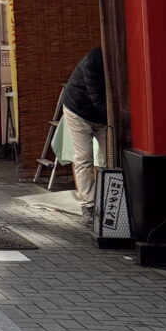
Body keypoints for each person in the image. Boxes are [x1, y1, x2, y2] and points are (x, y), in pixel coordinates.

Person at [60, 46, 107, 222]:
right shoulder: (93, 60)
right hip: (78, 111)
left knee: (110, 158)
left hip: (103, 116)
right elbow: (97, 100)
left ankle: (107, 199)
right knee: (84, 158)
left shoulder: (123, 61)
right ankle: (89, 205)